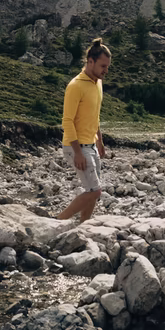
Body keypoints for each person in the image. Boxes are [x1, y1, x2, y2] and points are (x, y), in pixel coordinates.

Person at [58, 38, 112, 222]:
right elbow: (67, 121)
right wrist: (78, 153)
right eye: (103, 66)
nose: (106, 71)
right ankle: (58, 220)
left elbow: (94, 115)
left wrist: (100, 140)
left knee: (92, 191)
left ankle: (83, 225)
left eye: (107, 67)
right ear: (90, 62)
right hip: (77, 146)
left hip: (91, 144)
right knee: (95, 191)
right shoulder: (75, 86)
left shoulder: (97, 83)